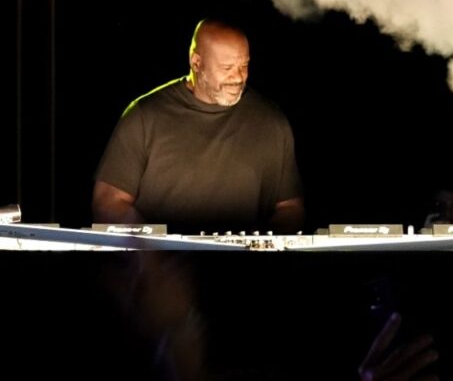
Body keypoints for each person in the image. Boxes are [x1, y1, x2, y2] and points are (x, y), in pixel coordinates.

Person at [92, 19, 305, 234]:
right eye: (227, 68)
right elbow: (109, 202)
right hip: (159, 265)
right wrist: (153, 255)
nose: (238, 77)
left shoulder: (270, 121)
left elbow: (290, 207)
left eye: (244, 66)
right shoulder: (144, 116)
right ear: (196, 62)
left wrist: (262, 250)